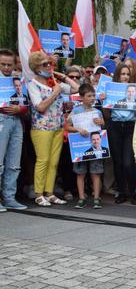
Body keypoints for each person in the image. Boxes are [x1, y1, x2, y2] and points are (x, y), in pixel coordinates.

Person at [27, 52, 79, 206]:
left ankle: (49, 192)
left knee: (54, 162)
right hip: (41, 128)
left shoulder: (54, 82)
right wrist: (55, 93)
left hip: (57, 127)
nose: (49, 66)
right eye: (45, 64)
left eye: (49, 63)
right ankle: (38, 193)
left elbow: (76, 88)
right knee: (43, 160)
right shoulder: (33, 84)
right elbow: (40, 107)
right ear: (36, 68)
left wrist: (62, 76)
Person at [102, 64, 136, 205]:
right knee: (118, 162)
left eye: (127, 74)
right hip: (115, 126)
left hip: (131, 126)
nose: (125, 77)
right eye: (123, 74)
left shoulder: (135, 90)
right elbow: (106, 113)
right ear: (117, 75)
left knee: (128, 162)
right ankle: (121, 192)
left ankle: (133, 191)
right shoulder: (111, 90)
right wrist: (104, 100)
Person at [65, 84, 105, 208]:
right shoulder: (76, 111)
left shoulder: (97, 112)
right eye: (89, 96)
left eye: (93, 95)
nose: (92, 98)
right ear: (81, 97)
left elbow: (102, 127)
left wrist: (102, 122)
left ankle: (96, 198)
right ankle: (82, 198)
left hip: (95, 146)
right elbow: (67, 126)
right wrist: (78, 130)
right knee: (80, 172)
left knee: (96, 172)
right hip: (80, 146)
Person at [0, 49, 28, 211]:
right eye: (2, 64)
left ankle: (9, 197)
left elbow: (25, 105)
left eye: (9, 65)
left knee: (13, 163)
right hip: (1, 121)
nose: (6, 67)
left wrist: (19, 110)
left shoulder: (18, 81)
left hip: (16, 122)